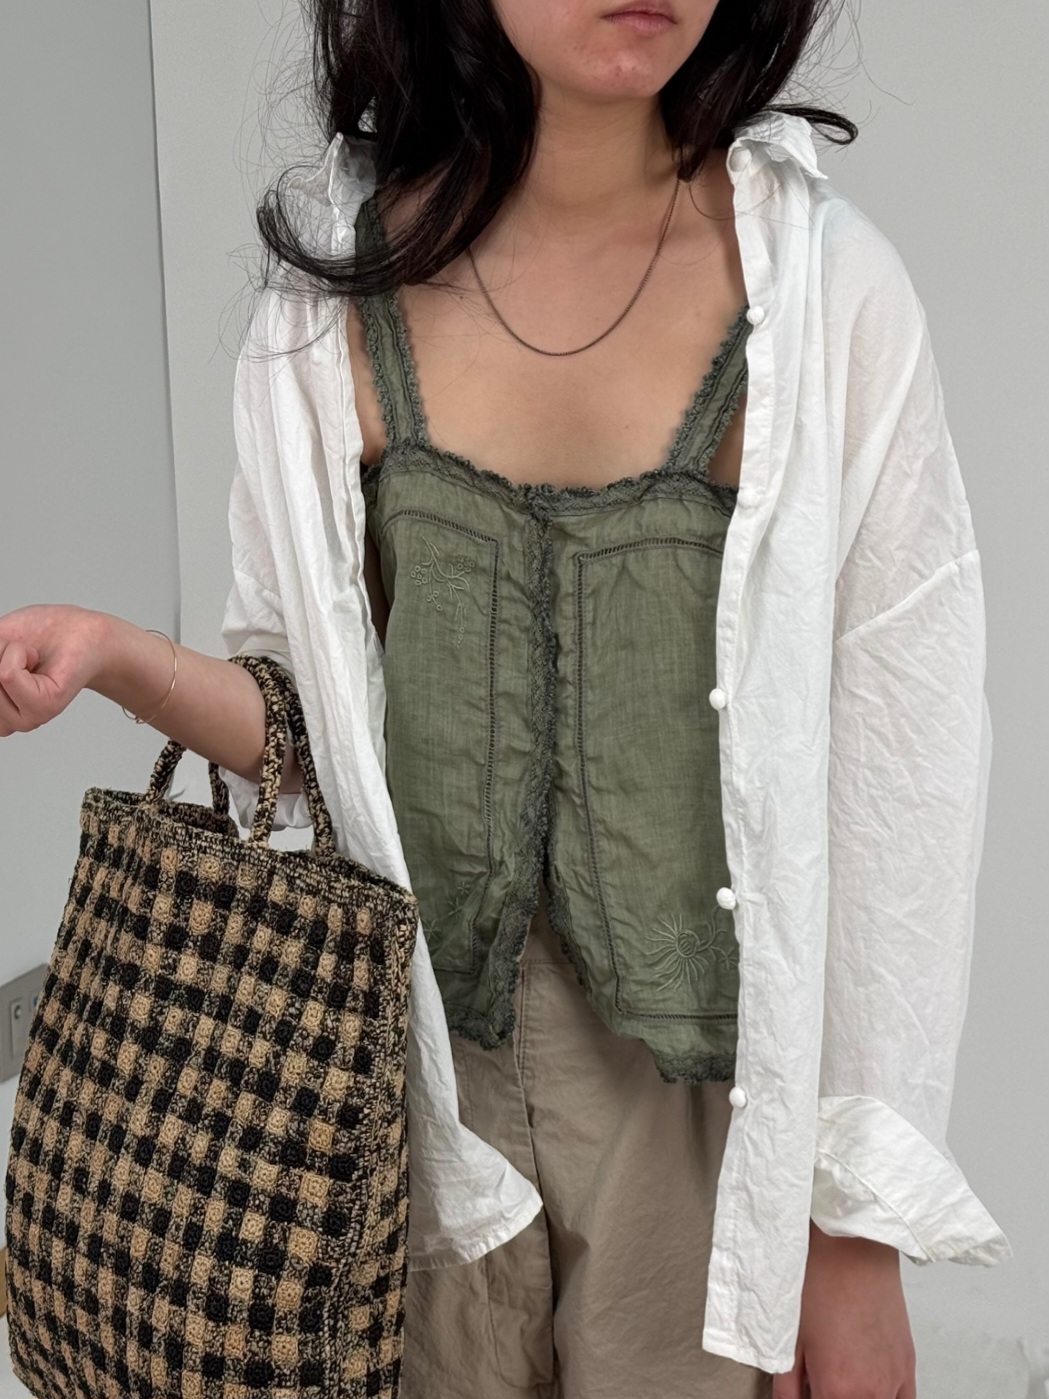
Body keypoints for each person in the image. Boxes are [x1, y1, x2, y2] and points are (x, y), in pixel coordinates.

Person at [0, 0, 1012, 1396]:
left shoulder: (827, 294)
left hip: (698, 1118)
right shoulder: (332, 287)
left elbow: (904, 766)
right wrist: (114, 655)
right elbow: (310, 732)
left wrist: (855, 1234)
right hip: (396, 1093)